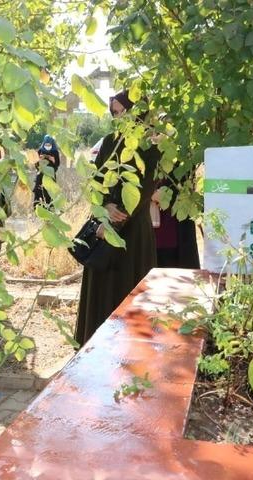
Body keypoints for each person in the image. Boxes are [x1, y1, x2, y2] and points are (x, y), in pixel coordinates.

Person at [75, 90, 160, 346]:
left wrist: (113, 221)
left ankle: (127, 348)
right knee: (101, 290)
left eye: (123, 111)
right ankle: (94, 344)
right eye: (114, 112)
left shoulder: (148, 146)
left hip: (133, 233)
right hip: (104, 227)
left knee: (128, 291)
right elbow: (95, 184)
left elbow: (144, 189)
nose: (119, 116)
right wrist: (103, 211)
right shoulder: (110, 141)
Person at [152, 178, 200, 269]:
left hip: (175, 225)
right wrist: (149, 193)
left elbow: (186, 182)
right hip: (151, 223)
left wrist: (166, 195)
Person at [33, 134, 61, 206]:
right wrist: (39, 160)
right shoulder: (40, 151)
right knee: (38, 191)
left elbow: (57, 164)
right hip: (41, 174)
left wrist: (53, 160)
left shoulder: (55, 152)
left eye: (49, 145)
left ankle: (49, 208)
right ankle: (37, 208)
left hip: (50, 175)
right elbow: (36, 164)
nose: (47, 146)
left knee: (49, 192)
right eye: (46, 144)